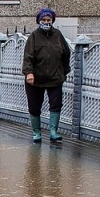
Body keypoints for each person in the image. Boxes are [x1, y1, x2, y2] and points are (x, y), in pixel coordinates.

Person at [22, 7, 71, 144]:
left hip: (55, 78)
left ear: (52, 21)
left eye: (49, 20)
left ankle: (53, 132)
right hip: (35, 79)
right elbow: (28, 57)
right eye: (43, 20)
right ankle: (36, 132)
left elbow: (66, 54)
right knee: (34, 106)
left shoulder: (58, 35)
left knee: (56, 104)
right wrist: (29, 73)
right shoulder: (34, 37)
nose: (46, 22)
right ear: (39, 21)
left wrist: (64, 71)